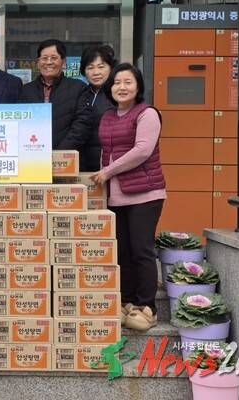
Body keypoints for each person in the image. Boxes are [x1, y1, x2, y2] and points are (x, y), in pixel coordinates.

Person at [90, 63, 166, 331]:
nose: (121, 87)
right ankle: (127, 301)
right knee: (122, 251)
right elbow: (105, 152)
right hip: (117, 196)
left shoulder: (147, 114)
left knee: (141, 250)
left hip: (145, 194)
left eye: (128, 82)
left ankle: (148, 307)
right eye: (116, 83)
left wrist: (107, 172)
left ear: (138, 86)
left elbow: (142, 150)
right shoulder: (108, 116)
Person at [19, 39, 92, 150]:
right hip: (33, 154)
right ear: (38, 63)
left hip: (67, 155)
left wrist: (60, 153)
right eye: (44, 58)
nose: (49, 62)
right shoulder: (26, 90)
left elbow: (82, 124)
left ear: (64, 62)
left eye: (54, 58)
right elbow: (20, 125)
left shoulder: (78, 88)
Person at [80, 45, 117, 171]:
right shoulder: (80, 94)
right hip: (82, 163)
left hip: (111, 163)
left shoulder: (118, 94)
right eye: (90, 67)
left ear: (111, 68)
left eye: (101, 67)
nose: (96, 72)